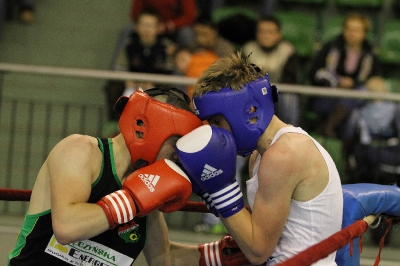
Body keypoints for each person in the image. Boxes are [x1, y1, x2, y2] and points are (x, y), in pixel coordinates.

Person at [7, 87, 252, 266]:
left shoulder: (147, 188)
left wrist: (220, 254)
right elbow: (67, 227)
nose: (179, 157)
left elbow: (164, 258)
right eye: (176, 144)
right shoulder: (81, 151)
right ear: (153, 128)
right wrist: (135, 200)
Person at [176, 52, 343, 265]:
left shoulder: (285, 154)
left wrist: (219, 189)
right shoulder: (259, 154)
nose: (214, 132)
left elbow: (257, 251)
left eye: (217, 121)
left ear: (250, 110)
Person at [308, 12, 382, 138]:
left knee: (355, 111)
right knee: (355, 103)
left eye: (357, 30)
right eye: (348, 29)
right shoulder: (331, 47)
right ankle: (344, 151)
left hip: (354, 101)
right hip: (327, 98)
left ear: (364, 33)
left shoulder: (370, 54)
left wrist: (353, 84)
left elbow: (373, 80)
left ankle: (329, 127)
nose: (352, 33)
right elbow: (314, 73)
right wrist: (338, 81)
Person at [243, 15, 300, 126]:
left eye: (270, 32)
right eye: (262, 32)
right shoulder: (247, 49)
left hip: (280, 93)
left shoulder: (288, 51)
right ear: (256, 34)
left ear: (279, 35)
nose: (265, 36)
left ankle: (289, 132)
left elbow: (290, 80)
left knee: (289, 98)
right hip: (253, 92)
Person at [130, 0, 197, 46]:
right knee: (128, 29)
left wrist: (167, 26)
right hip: (151, 23)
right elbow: (135, 14)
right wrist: (148, 25)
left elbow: (189, 16)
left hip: (175, 28)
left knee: (186, 33)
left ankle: (190, 63)